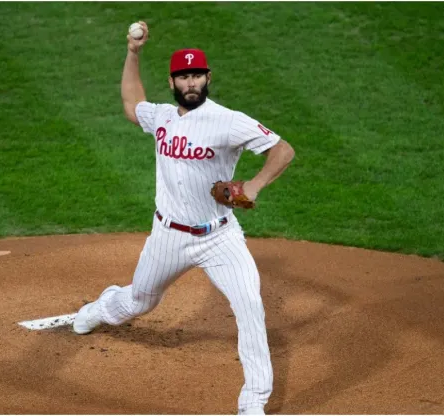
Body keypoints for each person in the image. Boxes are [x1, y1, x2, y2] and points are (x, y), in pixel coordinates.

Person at [72, 21, 296, 415]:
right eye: (182, 76)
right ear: (172, 82)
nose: (190, 82)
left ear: (207, 78)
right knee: (138, 302)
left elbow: (283, 150)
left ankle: (253, 401)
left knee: (249, 305)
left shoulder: (228, 121)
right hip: (168, 236)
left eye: (196, 75)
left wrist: (254, 186)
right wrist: (133, 52)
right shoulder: (161, 117)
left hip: (220, 237)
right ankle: (99, 309)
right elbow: (130, 105)